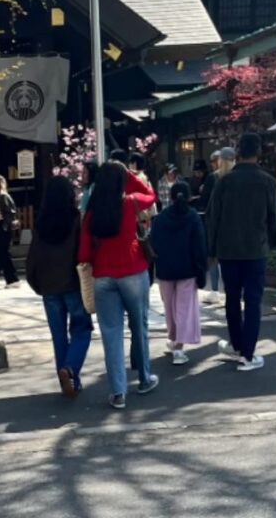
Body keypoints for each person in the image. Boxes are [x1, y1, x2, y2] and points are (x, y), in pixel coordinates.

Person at [78, 161, 159, 409]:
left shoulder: (92, 212)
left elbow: (83, 252)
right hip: (133, 271)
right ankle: (144, 378)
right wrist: (129, 176)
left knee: (111, 334)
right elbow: (151, 195)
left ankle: (117, 392)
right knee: (139, 325)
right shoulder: (130, 202)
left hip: (103, 276)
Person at [207, 134, 276, 372]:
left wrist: (212, 249)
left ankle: (237, 345)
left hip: (228, 250)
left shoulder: (224, 182)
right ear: (258, 152)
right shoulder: (268, 182)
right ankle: (248, 354)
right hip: (255, 249)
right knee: (252, 301)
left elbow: (212, 218)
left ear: (238, 152)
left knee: (231, 298)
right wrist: (269, 243)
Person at [26, 176, 92, 398]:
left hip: (48, 286)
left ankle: (69, 379)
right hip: (72, 283)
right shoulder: (75, 220)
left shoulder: (41, 222)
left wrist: (35, 282)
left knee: (58, 335)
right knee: (82, 329)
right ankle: (70, 369)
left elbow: (32, 256)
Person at [151, 182, 207, 365]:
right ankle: (179, 348)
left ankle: (173, 338)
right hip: (187, 270)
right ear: (190, 196)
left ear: (171, 197)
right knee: (184, 308)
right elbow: (199, 247)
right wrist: (201, 272)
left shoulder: (160, 218)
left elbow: (153, 245)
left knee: (169, 308)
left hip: (165, 270)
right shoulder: (192, 217)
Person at [205, 147, 236, 301]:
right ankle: (231, 291)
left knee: (214, 257)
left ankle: (216, 290)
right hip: (235, 229)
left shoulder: (214, 178)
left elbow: (207, 203)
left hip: (218, 226)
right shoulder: (237, 178)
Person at [0, 175, 20, 287]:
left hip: (3, 229)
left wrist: (5, 226)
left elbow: (10, 213)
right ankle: (12, 280)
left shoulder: (3, 197)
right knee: (2, 255)